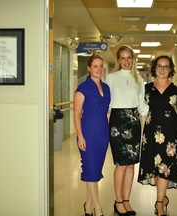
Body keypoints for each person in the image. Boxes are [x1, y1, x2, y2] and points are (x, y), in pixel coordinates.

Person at [105, 45, 148, 216]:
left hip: (134, 121)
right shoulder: (110, 78)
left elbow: (142, 105)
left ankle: (126, 200)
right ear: (118, 60)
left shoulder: (139, 80)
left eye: (129, 57)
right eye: (122, 58)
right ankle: (118, 201)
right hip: (117, 121)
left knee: (131, 165)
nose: (126, 61)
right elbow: (105, 102)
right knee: (121, 164)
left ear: (133, 59)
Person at [137, 55, 177, 216]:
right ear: (154, 68)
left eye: (166, 66)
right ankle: (162, 198)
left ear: (171, 69)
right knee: (156, 167)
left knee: (165, 167)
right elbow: (138, 106)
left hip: (170, 133)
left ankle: (159, 204)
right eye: (159, 66)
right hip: (150, 133)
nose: (162, 69)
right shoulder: (146, 88)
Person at [73, 55, 110, 216]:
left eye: (101, 66)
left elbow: (106, 110)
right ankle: (98, 208)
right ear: (89, 68)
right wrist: (80, 136)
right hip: (88, 133)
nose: (99, 69)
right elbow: (76, 114)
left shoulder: (107, 88)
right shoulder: (82, 88)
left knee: (94, 171)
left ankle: (87, 206)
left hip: (103, 133)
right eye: (95, 66)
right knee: (90, 170)